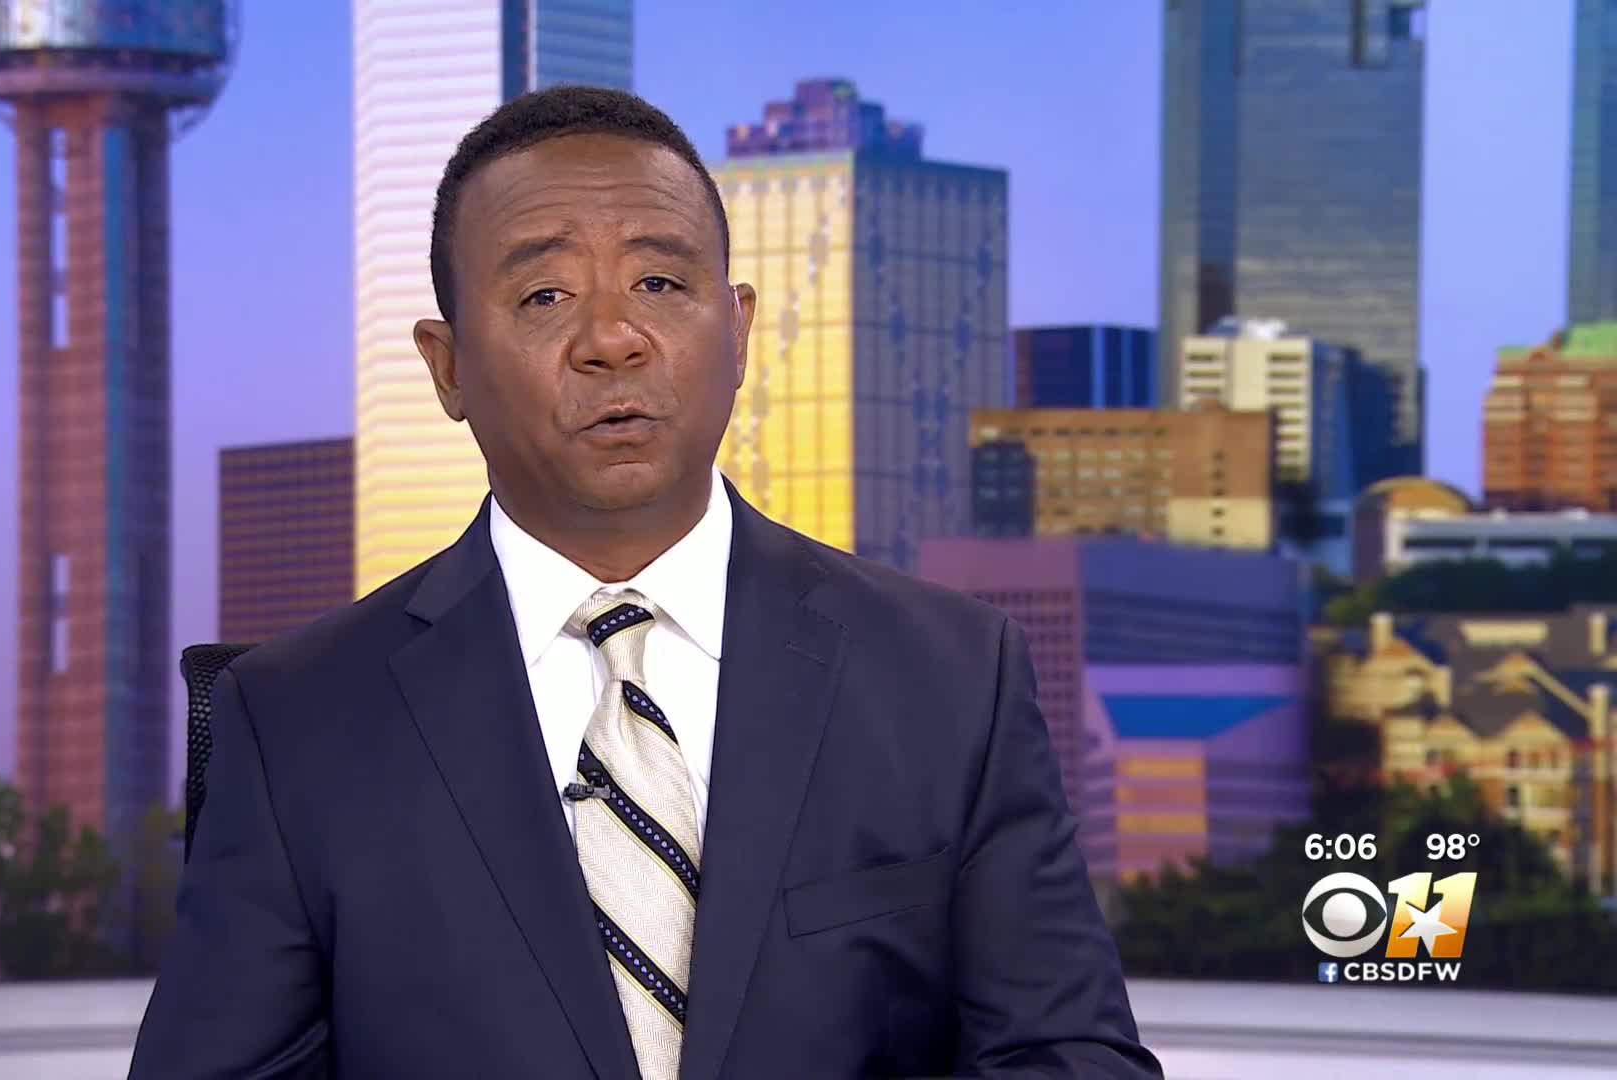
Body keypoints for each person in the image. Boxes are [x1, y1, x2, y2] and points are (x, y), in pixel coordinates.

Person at [130, 85, 1162, 1079]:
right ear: (447, 366)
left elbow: (1071, 1060)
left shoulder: (947, 678)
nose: (612, 339)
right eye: (545, 295)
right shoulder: (297, 718)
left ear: (740, 327)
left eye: (661, 285)